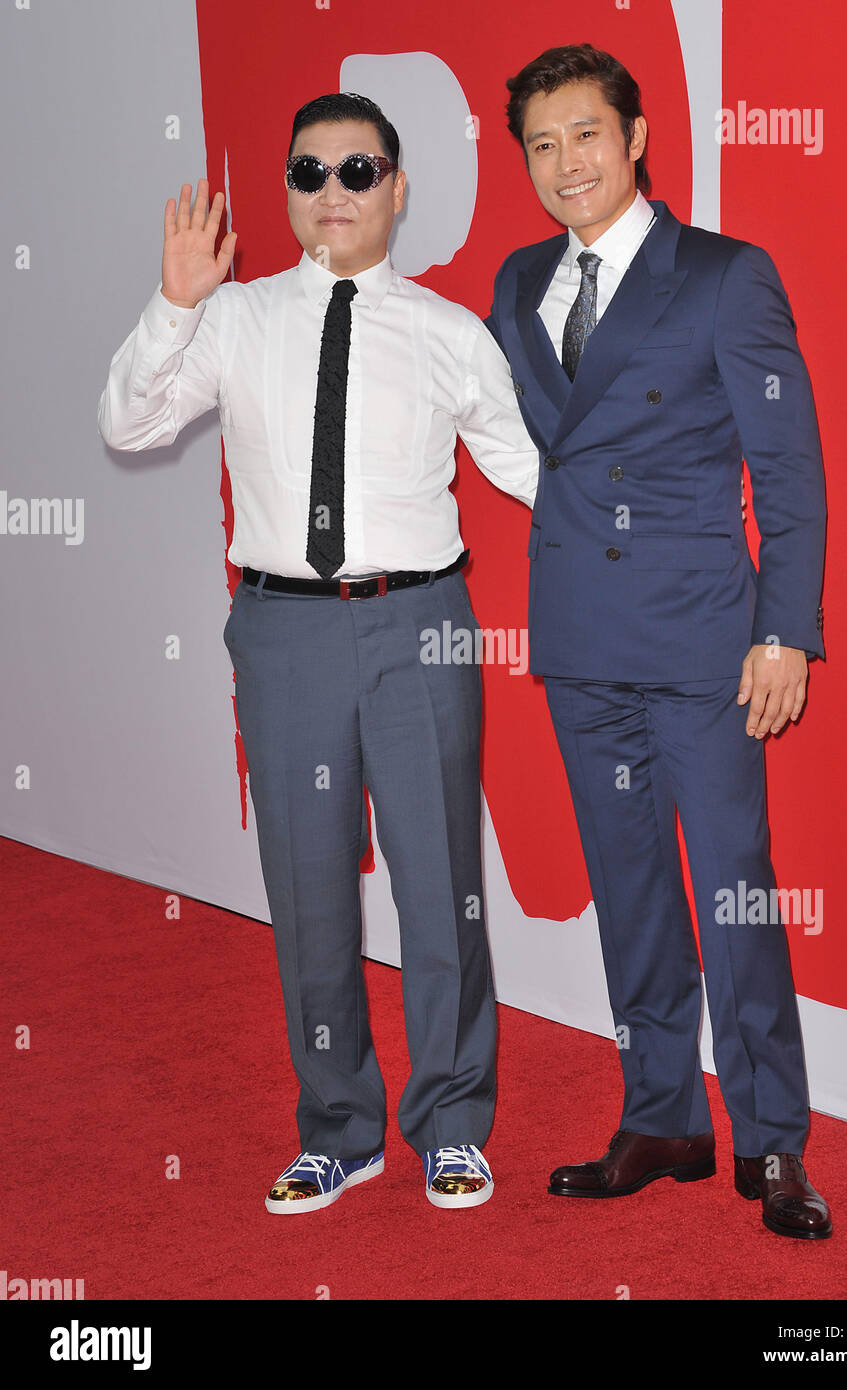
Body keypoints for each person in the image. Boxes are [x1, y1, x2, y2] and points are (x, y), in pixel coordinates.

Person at [98, 92, 539, 1213]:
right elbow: (128, 425)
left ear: (397, 187)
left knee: (441, 879)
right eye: (308, 173)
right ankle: (340, 1127)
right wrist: (171, 302)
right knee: (306, 886)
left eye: (357, 170)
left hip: (421, 623)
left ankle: (451, 1120)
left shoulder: (451, 333)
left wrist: (658, 516)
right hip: (285, 627)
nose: (331, 192)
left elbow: (538, 473)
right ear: (286, 192)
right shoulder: (232, 317)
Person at [486, 44, 831, 1239]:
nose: (565, 163)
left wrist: (784, 626)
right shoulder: (517, 279)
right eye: (541, 144)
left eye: (585, 134)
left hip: (701, 637)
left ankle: (773, 1140)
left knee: (733, 891)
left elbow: (788, 469)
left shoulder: (727, 276)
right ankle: (664, 1115)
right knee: (630, 893)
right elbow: (535, 452)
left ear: (635, 137)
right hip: (582, 637)